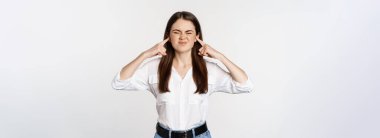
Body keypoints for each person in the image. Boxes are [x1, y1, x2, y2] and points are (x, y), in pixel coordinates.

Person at [112, 11, 255, 138]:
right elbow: (119, 82)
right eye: (176, 32)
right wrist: (145, 55)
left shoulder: (209, 68)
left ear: (196, 37)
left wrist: (219, 56)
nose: (182, 37)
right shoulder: (154, 67)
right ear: (168, 35)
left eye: (188, 32)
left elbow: (245, 85)